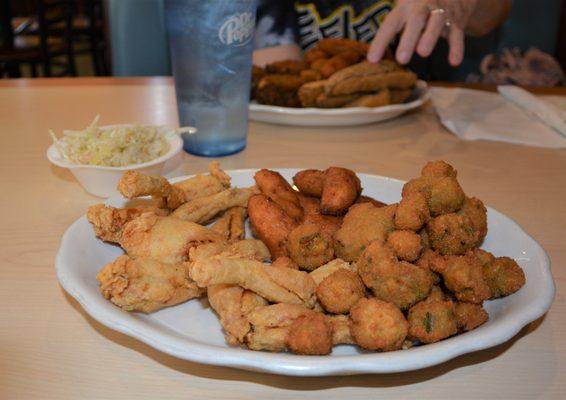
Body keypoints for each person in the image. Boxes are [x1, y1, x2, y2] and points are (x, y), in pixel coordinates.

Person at [253, 0, 512, 71]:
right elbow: (273, 66)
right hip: (294, 132)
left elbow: (492, 14)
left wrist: (456, 4)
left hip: (415, 123)